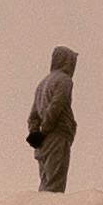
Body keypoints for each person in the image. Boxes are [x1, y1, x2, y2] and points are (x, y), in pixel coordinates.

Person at [26, 45, 78, 193]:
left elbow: (33, 115)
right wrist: (45, 129)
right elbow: (57, 105)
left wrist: (35, 133)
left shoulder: (42, 84)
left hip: (43, 141)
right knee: (55, 184)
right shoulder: (64, 80)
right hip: (57, 135)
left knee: (45, 181)